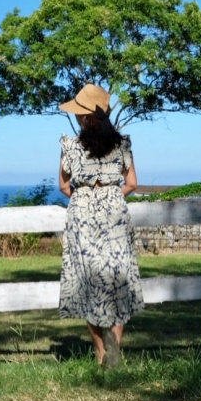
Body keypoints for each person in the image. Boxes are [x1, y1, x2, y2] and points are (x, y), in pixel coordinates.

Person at [57, 83, 144, 368]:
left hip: (82, 216)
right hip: (115, 214)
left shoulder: (70, 146)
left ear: (83, 116)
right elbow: (131, 184)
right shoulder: (122, 144)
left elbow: (63, 185)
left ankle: (101, 353)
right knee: (117, 280)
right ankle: (115, 347)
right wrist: (109, 196)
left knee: (87, 282)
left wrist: (85, 197)